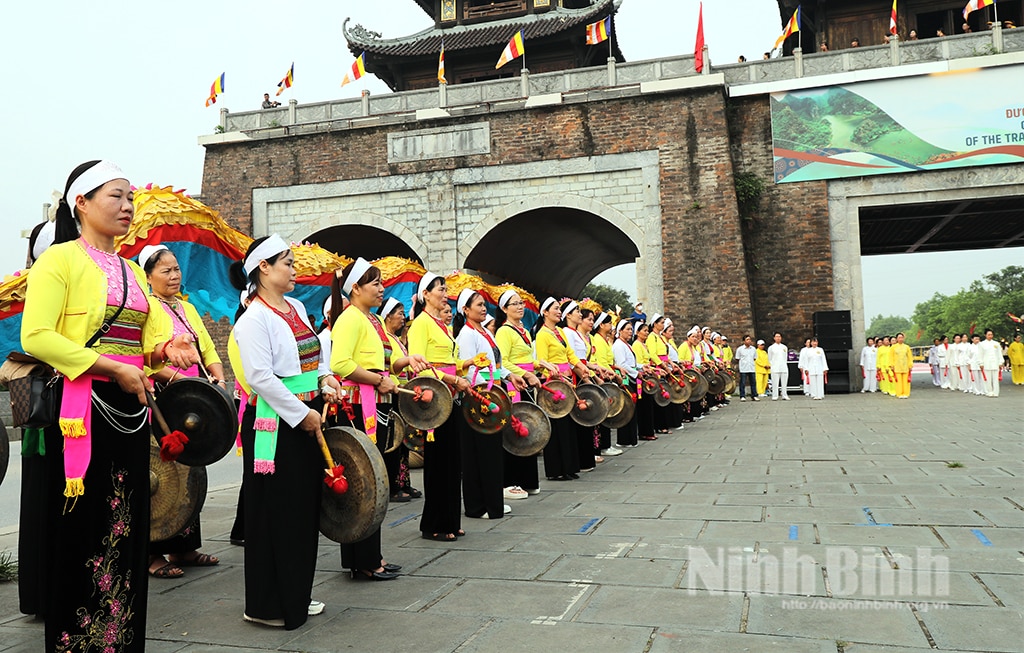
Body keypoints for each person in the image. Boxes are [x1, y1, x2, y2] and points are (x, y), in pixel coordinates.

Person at [22, 160, 200, 650]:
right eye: (116, 196)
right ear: (81, 202)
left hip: (127, 410)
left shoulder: (130, 269)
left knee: (126, 526)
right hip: (82, 407)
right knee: (82, 528)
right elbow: (36, 336)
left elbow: (145, 342)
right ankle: (77, 642)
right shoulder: (59, 260)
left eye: (130, 199)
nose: (127, 207)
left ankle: (120, 640)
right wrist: (111, 366)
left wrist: (164, 354)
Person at [232, 234, 337, 628]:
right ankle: (267, 604)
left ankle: (296, 591)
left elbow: (316, 352)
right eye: (288, 263)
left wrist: (326, 379)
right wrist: (301, 414)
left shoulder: (294, 306)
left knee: (302, 510)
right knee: (274, 513)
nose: (295, 270)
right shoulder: (253, 318)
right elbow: (260, 377)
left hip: (305, 414)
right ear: (264, 268)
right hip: (275, 423)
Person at [331, 258, 427, 579]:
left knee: (374, 481)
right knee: (365, 481)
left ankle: (372, 557)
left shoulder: (371, 320)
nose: (382, 288)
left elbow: (382, 364)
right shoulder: (349, 319)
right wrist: (376, 380)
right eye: (375, 284)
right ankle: (364, 561)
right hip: (358, 408)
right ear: (355, 289)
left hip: (379, 404)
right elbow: (341, 364)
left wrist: (404, 362)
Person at [140, 244, 226, 579]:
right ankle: (153, 552)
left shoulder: (186, 309)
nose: (174, 275)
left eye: (176, 269)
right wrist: (174, 377)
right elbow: (144, 357)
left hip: (193, 399)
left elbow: (206, 347)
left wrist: (216, 375)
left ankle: (184, 546)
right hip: (163, 398)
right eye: (166, 270)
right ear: (148, 276)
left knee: (191, 471)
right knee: (160, 473)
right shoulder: (146, 307)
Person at [407, 272, 473, 540]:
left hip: (451, 394)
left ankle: (450, 518)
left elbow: (447, 359)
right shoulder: (420, 324)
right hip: (434, 398)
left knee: (452, 459)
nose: (445, 293)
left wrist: (465, 368)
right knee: (438, 462)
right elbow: (421, 366)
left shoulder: (442, 325)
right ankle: (434, 523)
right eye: (440, 289)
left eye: (446, 289)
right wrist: (451, 378)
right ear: (426, 295)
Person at [454, 287, 521, 518]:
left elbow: (495, 365)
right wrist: (486, 392)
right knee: (477, 453)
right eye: (479, 305)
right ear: (465, 309)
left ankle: (493, 500)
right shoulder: (466, 334)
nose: (484, 309)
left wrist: (509, 376)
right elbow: (468, 368)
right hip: (478, 398)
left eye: (484, 304)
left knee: (491, 451)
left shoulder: (485, 333)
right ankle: (477, 505)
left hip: (492, 394)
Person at [495, 288, 555, 494]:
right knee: (515, 429)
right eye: (515, 304)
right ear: (504, 309)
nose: (520, 307)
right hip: (514, 384)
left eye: (521, 303)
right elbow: (503, 361)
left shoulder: (524, 330)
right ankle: (510, 481)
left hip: (528, 382)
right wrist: (524, 373)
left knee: (529, 427)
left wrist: (540, 365)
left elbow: (528, 359)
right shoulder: (503, 331)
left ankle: (528, 480)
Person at [535, 296, 590, 478]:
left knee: (568, 425)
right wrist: (556, 376)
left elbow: (570, 355)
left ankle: (569, 466)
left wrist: (581, 366)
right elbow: (542, 363)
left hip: (567, 381)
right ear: (545, 313)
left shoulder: (560, 332)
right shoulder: (542, 334)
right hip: (554, 385)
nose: (559, 312)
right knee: (557, 426)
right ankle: (556, 470)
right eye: (556, 309)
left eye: (559, 308)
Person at [376, 297, 422, 501]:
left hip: (403, 391)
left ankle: (404, 482)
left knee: (404, 442)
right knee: (393, 441)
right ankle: (394, 485)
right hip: (394, 391)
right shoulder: (384, 337)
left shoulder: (395, 338)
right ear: (387, 315)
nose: (403, 318)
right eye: (399, 314)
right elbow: (388, 367)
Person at [612, 320, 642, 446]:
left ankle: (631, 438)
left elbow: (631, 363)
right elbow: (622, 364)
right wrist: (635, 373)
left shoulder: (626, 344)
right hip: (625, 378)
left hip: (631, 376)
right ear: (620, 331)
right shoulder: (618, 345)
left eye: (631, 329)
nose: (630, 332)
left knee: (631, 407)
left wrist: (641, 367)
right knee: (626, 409)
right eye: (628, 329)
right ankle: (624, 439)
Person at [978, 328, 1003, 397]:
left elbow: (999, 354)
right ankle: (989, 391)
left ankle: (996, 392)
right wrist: (981, 363)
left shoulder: (996, 344)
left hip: (995, 363)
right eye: (988, 335)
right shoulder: (982, 344)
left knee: (995, 379)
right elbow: (980, 354)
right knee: (987, 379)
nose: (990, 336)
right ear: (985, 335)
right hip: (986, 363)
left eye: (991, 334)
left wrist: (1001, 362)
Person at [767, 332, 790, 400]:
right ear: (774, 338)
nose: (778, 338)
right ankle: (775, 395)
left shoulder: (784, 347)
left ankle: (784, 394)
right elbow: (770, 358)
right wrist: (772, 365)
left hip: (783, 367)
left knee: (784, 382)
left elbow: (785, 357)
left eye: (779, 336)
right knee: (775, 382)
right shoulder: (771, 348)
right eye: (776, 337)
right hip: (775, 367)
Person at [890, 332, 912, 399]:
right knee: (898, 381)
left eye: (902, 337)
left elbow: (910, 357)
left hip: (905, 366)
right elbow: (891, 357)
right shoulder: (893, 347)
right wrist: (891, 365)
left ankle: (906, 393)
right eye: (899, 338)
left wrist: (910, 365)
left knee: (906, 381)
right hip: (897, 366)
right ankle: (899, 393)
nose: (901, 339)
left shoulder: (907, 347)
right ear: (896, 339)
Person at [735, 335, 757, 401]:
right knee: (743, 382)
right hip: (743, 368)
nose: (749, 341)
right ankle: (742, 396)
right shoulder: (740, 349)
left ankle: (754, 395)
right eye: (747, 339)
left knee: (753, 382)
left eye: (750, 339)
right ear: (744, 341)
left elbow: (755, 358)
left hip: (751, 368)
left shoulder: (753, 349)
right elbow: (737, 358)